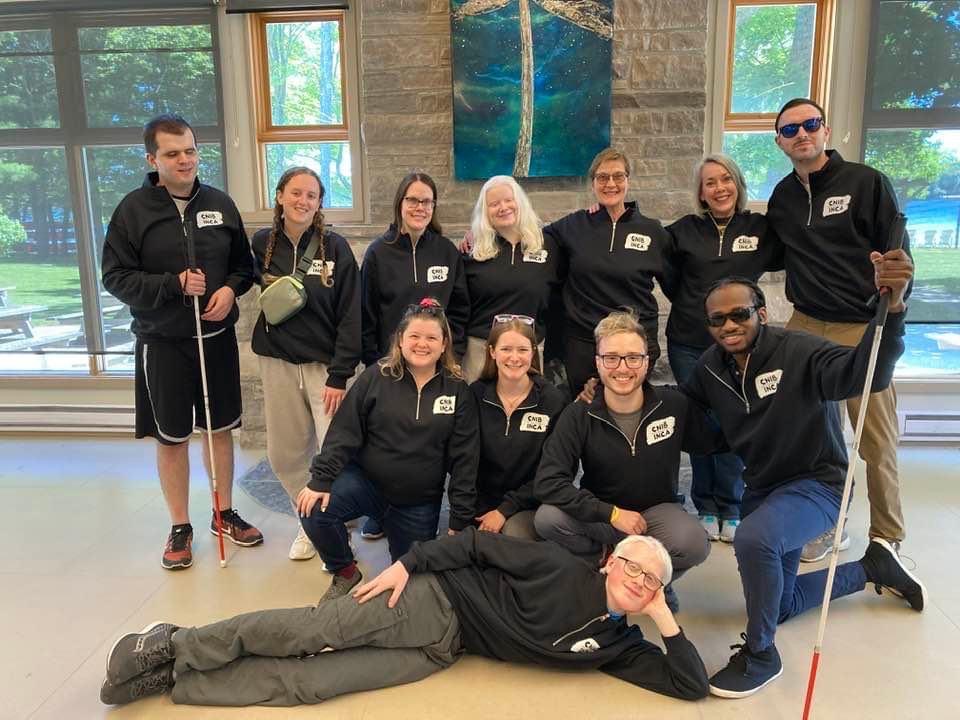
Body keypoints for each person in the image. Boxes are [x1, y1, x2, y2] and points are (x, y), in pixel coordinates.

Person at [100, 529, 710, 707]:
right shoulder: (559, 565)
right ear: (610, 562)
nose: (638, 580)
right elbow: (474, 544)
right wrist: (405, 566)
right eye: (632, 566)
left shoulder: (620, 645)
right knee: (315, 634)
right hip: (434, 598)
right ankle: (175, 642)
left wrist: (665, 620)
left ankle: (183, 684)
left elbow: (688, 685)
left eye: (652, 580)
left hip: (444, 650)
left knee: (315, 683)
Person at [680, 268, 925, 698]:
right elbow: (683, 409)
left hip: (818, 485)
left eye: (739, 314)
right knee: (780, 603)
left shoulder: (800, 351)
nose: (729, 326)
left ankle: (761, 654)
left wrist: (896, 308)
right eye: (717, 320)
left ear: (761, 312)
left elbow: (860, 373)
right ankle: (873, 568)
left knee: (754, 540)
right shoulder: (711, 369)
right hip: (762, 488)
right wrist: (616, 395)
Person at [102, 114, 261, 570]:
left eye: (190, 150)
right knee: (171, 437)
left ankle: (223, 512)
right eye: (173, 154)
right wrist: (172, 285)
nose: (185, 160)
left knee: (220, 429)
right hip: (163, 341)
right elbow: (115, 277)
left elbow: (242, 267)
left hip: (215, 338)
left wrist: (231, 289)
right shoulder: (133, 211)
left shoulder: (219, 203)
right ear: (153, 159)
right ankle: (179, 526)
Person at [766, 97, 911, 562]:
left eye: (810, 124)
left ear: (826, 130)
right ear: (779, 142)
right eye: (791, 130)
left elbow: (899, 260)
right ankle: (825, 522)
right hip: (804, 323)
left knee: (874, 436)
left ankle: (887, 538)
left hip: (859, 325)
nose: (801, 134)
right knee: (807, 434)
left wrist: (890, 309)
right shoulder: (783, 198)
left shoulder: (866, 183)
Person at [534, 309, 724, 611]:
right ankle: (604, 574)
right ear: (598, 362)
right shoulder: (580, 413)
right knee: (547, 518)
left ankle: (654, 580)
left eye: (633, 358)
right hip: (600, 517)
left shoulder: (673, 405)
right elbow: (548, 482)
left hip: (654, 516)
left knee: (694, 543)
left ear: (647, 362)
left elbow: (716, 442)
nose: (623, 368)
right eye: (612, 358)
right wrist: (610, 513)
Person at [297, 298, 479, 602]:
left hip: (416, 502)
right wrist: (321, 479)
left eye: (432, 337)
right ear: (401, 340)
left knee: (410, 587)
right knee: (313, 508)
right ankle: (344, 570)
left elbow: (465, 460)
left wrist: (459, 520)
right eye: (415, 337)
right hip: (366, 485)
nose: (422, 344)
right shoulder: (377, 376)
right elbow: (345, 430)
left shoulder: (457, 389)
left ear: (444, 343)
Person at [663, 153, 782, 543]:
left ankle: (730, 506)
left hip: (738, 344)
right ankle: (705, 504)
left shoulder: (760, 229)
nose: (719, 188)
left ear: (738, 184)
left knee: (734, 418)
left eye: (725, 179)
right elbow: (668, 279)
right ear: (700, 191)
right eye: (710, 182)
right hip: (688, 342)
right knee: (699, 421)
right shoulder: (682, 231)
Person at [250, 167, 361, 561]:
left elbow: (351, 314)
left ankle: (332, 527)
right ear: (279, 196)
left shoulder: (336, 248)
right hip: (278, 363)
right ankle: (309, 518)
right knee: (285, 453)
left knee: (334, 452)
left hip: (324, 369)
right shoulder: (261, 243)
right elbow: (230, 273)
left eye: (312, 195)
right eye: (295, 193)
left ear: (319, 203)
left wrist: (340, 374)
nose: (303, 201)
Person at [360, 172, 471, 540]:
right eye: (413, 200)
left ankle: (426, 505)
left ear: (434, 207)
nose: (420, 207)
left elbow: (459, 308)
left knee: (429, 436)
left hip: (434, 364)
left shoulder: (446, 251)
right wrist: (372, 360)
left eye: (426, 201)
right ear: (400, 204)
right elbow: (367, 311)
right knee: (386, 437)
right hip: (391, 365)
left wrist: (449, 354)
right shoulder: (379, 252)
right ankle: (379, 507)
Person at [543, 148, 670, 398]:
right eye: (602, 177)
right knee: (586, 410)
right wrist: (477, 235)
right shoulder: (573, 226)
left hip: (633, 344)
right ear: (593, 183)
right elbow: (530, 237)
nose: (610, 183)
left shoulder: (652, 230)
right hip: (583, 345)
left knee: (626, 406)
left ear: (628, 180)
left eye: (618, 176)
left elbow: (675, 281)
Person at [470, 316, 568, 539]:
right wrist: (469, 512)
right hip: (481, 505)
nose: (514, 357)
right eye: (506, 349)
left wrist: (504, 511)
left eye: (522, 350)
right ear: (492, 352)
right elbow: (464, 460)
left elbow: (555, 470)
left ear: (533, 353)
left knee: (512, 540)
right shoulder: (475, 395)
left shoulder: (552, 401)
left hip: (529, 505)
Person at [461, 176, 560, 382]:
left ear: (520, 202)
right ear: (485, 212)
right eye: (494, 204)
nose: (503, 207)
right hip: (481, 351)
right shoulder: (472, 251)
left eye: (508, 200)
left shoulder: (548, 245)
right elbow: (459, 308)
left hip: (528, 351)